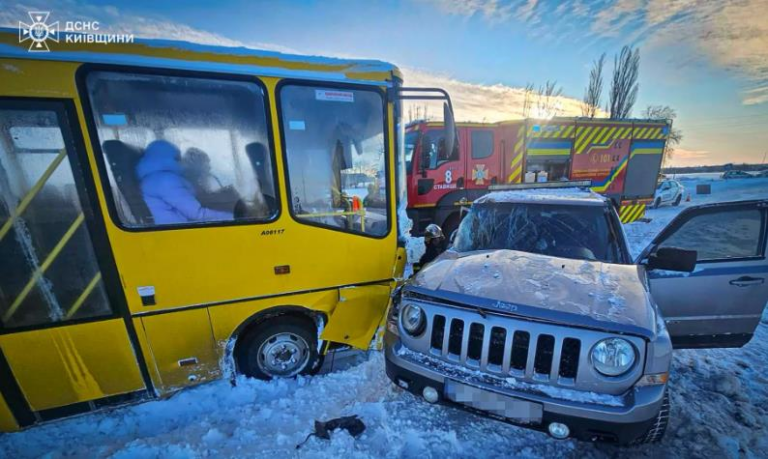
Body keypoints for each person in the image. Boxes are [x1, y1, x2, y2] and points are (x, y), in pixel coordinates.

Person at [136, 140, 233, 225]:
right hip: (175, 234)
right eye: (177, 157)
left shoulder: (153, 179)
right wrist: (235, 217)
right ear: (165, 157)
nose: (180, 160)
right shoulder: (164, 181)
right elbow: (197, 214)